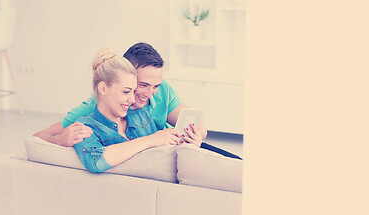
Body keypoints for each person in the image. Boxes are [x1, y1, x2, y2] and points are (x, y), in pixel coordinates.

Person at [34, 42, 241, 159]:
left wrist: (197, 136)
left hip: (175, 151)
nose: (150, 94)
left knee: (236, 163)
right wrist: (59, 140)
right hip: (154, 156)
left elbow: (196, 123)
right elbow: (38, 137)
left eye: (156, 86)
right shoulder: (94, 108)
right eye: (142, 85)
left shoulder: (161, 90)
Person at [69, 47, 181, 173]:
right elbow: (96, 161)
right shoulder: (85, 127)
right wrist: (151, 140)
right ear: (103, 88)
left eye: (133, 91)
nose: (132, 99)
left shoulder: (142, 116)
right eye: (126, 92)